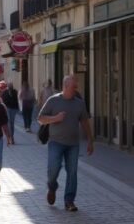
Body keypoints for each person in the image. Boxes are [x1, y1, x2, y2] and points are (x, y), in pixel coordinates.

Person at [38, 75, 94, 212]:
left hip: (73, 144)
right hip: (55, 142)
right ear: (65, 86)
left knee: (72, 172)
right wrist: (55, 118)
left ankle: (69, 201)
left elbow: (85, 122)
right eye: (73, 87)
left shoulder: (79, 103)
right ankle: (52, 187)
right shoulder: (53, 101)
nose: (76, 89)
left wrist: (90, 140)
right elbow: (40, 119)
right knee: (53, 170)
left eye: (76, 87)